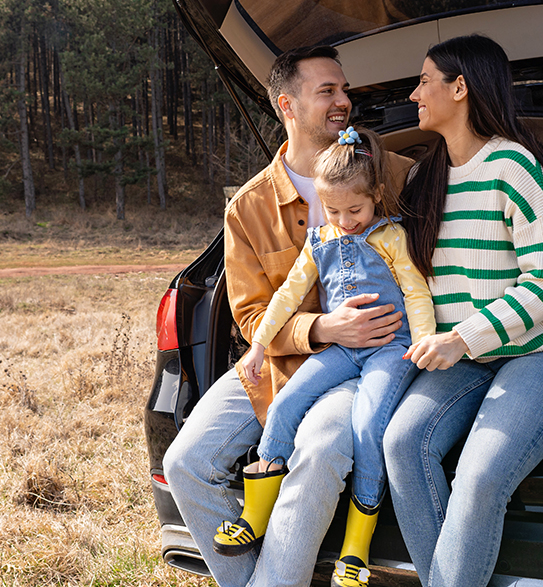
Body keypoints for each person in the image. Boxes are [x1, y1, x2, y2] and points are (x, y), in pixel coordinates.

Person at [162, 45, 415, 587]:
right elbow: (251, 315)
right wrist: (321, 327)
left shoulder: (394, 172)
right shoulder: (249, 206)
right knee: (185, 462)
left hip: (365, 362)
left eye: (344, 90)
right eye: (327, 91)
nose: (343, 101)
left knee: (317, 452)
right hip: (277, 362)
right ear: (287, 105)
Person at [383, 34, 543, 586]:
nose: (414, 94)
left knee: (479, 475)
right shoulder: (422, 178)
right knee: (401, 444)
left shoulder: (513, 166)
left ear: (459, 88)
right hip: (466, 360)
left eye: (424, 81)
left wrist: (461, 338)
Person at [213, 126, 434, 587]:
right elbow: (286, 297)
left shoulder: (390, 236)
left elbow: (416, 292)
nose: (345, 220)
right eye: (333, 210)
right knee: (287, 402)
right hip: (342, 349)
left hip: (391, 350)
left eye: (355, 210)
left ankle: (356, 548)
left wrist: (423, 343)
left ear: (375, 197)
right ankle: (256, 514)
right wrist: (258, 346)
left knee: (368, 426)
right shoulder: (319, 241)